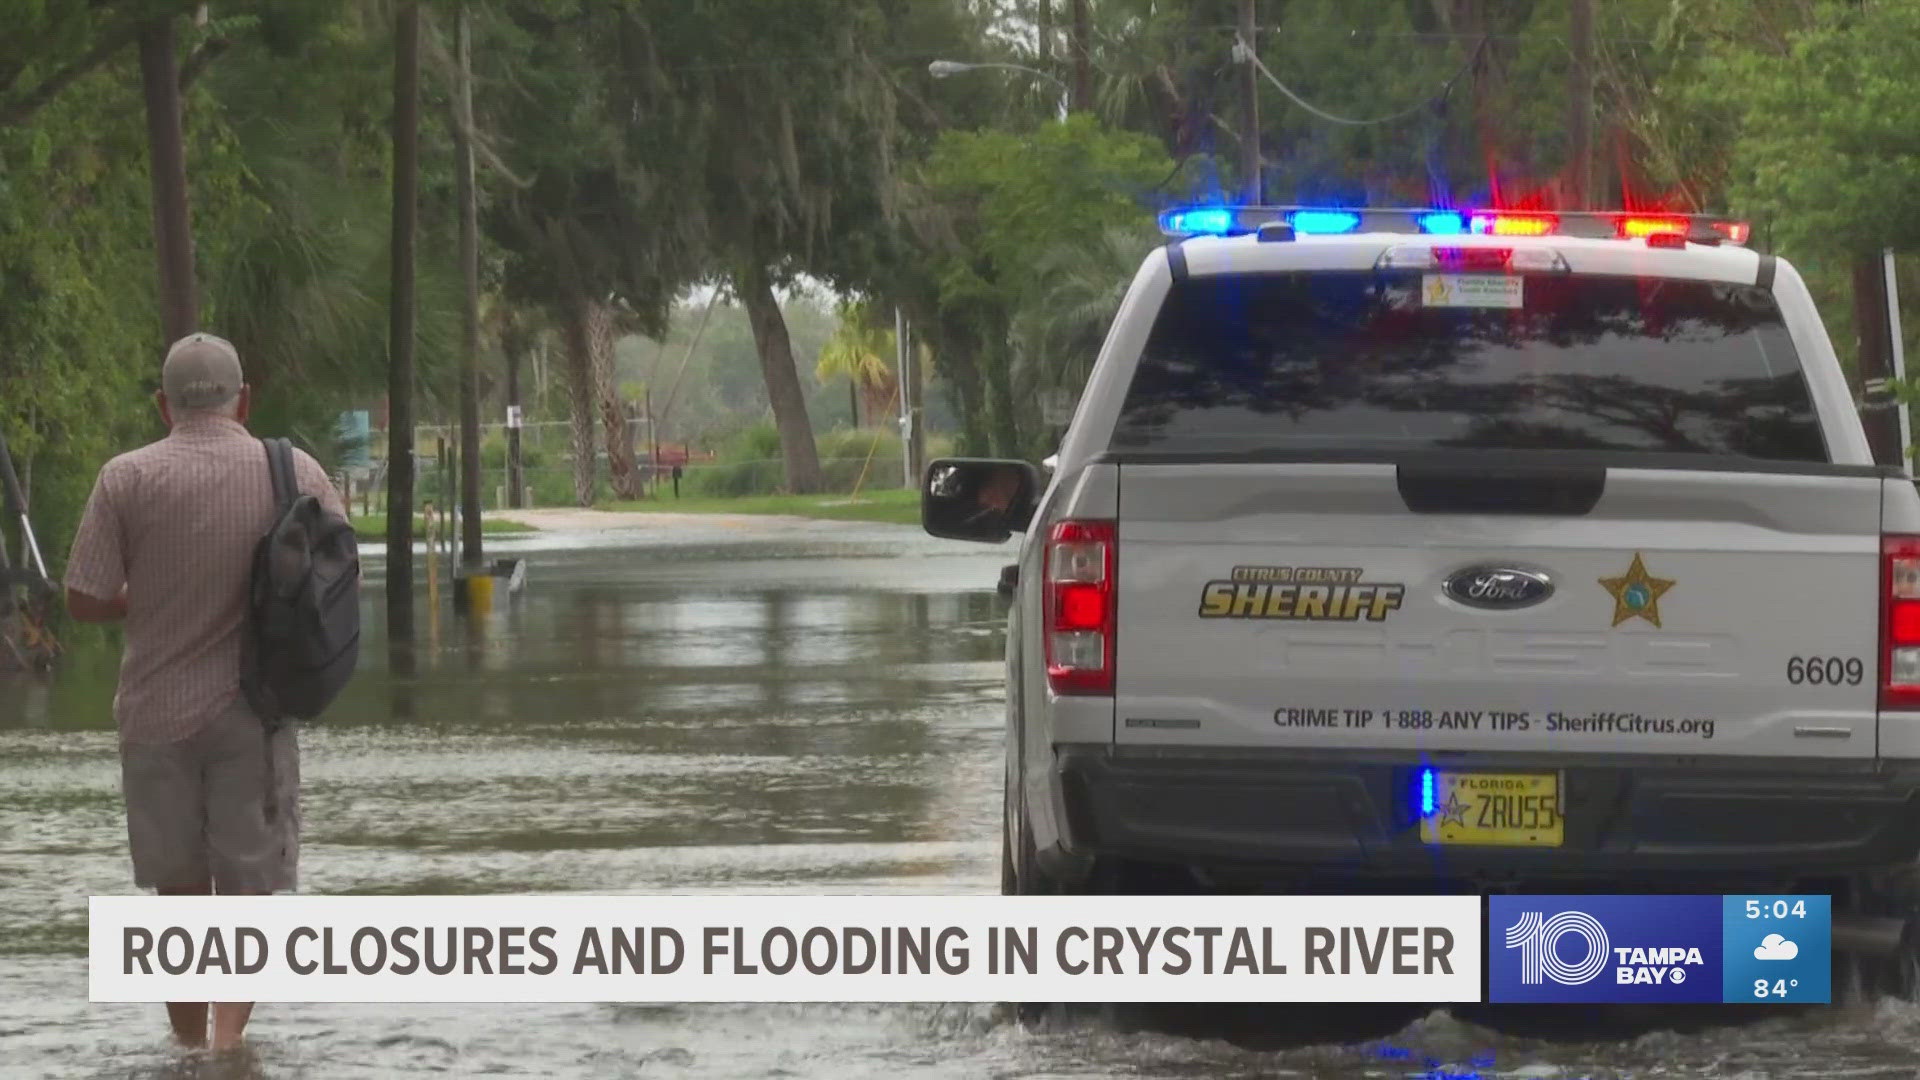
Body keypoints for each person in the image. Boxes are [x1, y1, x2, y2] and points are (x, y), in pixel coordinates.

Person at [63, 333, 351, 1053]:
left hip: (155, 718)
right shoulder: (297, 471)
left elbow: (83, 597)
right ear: (243, 400)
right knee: (248, 895)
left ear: (163, 406)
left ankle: (190, 1048)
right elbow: (340, 575)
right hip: (252, 715)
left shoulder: (123, 479)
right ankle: (228, 1044)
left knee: (179, 900)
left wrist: (144, 598)